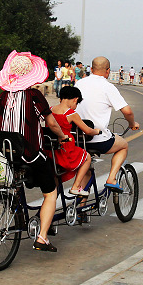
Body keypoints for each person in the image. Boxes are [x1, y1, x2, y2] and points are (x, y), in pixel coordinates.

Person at [0, 51, 71, 252]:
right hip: (30, 152)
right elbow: (51, 123)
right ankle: (42, 238)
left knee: (21, 178)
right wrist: (62, 136)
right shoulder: (33, 95)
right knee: (50, 192)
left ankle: (20, 209)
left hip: (7, 151)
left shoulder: (3, 96)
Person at [76, 56, 140, 191]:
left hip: (77, 139)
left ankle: (80, 208)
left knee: (86, 169)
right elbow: (127, 111)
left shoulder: (79, 83)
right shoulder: (107, 87)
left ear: (91, 69)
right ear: (108, 71)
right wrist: (132, 123)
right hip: (97, 139)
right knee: (123, 146)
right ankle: (111, 178)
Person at [50, 86, 102, 222]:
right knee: (87, 157)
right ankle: (76, 186)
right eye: (76, 103)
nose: (76, 106)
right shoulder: (71, 114)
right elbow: (87, 131)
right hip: (66, 149)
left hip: (52, 150)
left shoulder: (51, 110)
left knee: (54, 187)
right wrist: (97, 131)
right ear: (75, 99)